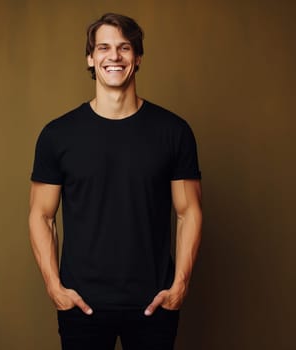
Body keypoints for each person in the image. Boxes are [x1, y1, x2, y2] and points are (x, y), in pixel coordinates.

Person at [29, 13, 202, 350]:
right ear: (91, 58)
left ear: (137, 58)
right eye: (104, 48)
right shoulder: (57, 135)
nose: (114, 56)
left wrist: (179, 285)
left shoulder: (174, 132)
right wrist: (54, 288)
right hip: (81, 305)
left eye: (124, 48)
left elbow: (189, 212)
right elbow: (41, 215)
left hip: (155, 304)